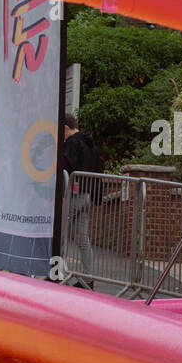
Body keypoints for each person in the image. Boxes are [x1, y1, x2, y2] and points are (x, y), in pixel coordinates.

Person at [60, 112, 101, 283]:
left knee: (60, 236)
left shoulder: (73, 143)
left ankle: (56, 274)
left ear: (65, 128)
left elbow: (66, 164)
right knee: (82, 238)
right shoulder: (90, 143)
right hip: (87, 194)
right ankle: (88, 278)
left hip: (74, 195)